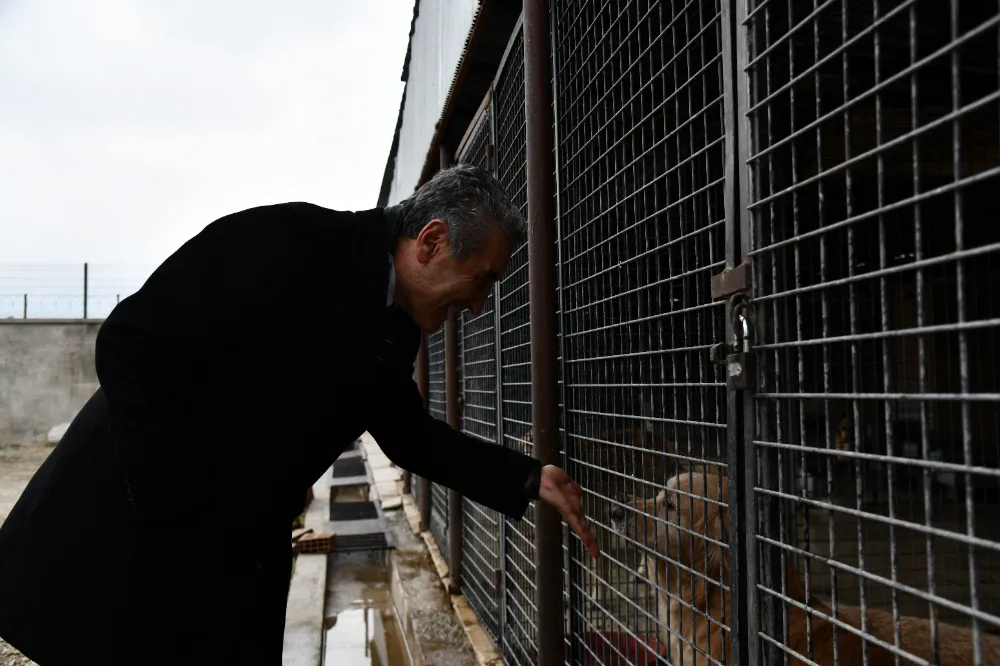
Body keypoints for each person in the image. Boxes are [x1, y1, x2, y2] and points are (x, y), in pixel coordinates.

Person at [0, 165, 600, 665]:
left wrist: (526, 476)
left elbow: (412, 439)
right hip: (128, 531)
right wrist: (176, 511)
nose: (478, 304)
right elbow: (131, 343)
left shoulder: (390, 330)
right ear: (433, 241)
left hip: (231, 553)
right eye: (482, 281)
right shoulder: (288, 243)